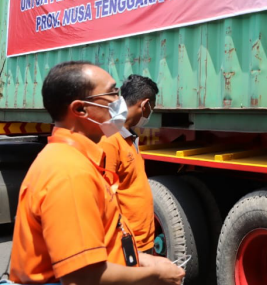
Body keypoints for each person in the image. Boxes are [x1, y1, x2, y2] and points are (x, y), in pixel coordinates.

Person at [9, 61, 184, 285]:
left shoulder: (79, 160)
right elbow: (81, 276)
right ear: (80, 109)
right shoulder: (69, 172)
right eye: (111, 94)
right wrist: (156, 276)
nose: (118, 102)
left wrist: (143, 261)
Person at [99, 74, 159, 254]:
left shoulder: (128, 136)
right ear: (145, 105)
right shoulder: (109, 140)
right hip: (128, 243)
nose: (151, 112)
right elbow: (105, 198)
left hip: (141, 241)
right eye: (152, 108)